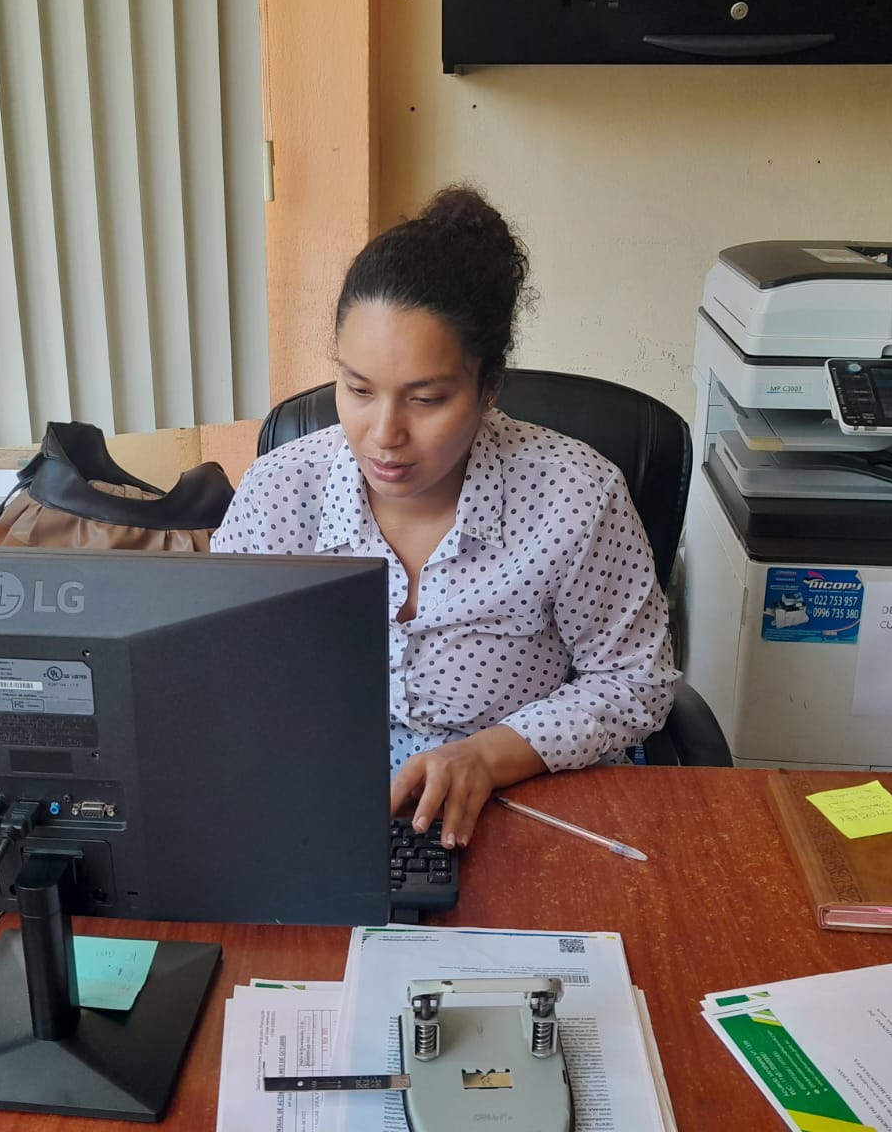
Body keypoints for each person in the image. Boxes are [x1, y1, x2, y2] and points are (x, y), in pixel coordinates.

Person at [212, 186, 678, 848]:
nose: (384, 435)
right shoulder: (281, 492)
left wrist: (486, 756)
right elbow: (222, 669)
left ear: (489, 387)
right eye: (358, 389)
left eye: (426, 399)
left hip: (526, 803)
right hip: (329, 802)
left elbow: (635, 681)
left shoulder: (575, 495)